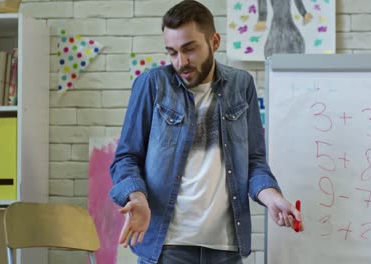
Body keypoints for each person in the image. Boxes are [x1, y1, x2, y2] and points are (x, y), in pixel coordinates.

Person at [109, 1, 302, 263]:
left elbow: (254, 161)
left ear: (214, 41)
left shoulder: (241, 84)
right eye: (173, 52)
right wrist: (138, 197)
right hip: (167, 247)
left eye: (190, 49)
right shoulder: (152, 84)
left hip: (226, 248)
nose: (181, 62)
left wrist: (272, 197)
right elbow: (126, 158)